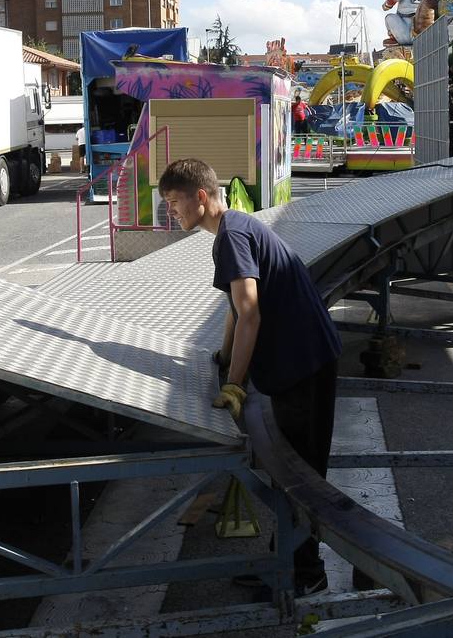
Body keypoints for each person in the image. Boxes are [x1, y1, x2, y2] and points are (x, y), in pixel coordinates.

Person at [158, 158, 341, 597]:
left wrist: (235, 384)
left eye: (174, 201)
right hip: (300, 360)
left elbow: (251, 315)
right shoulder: (233, 230)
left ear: (200, 197)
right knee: (293, 466)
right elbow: (234, 308)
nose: (172, 211)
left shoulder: (232, 237)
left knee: (301, 472)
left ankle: (304, 573)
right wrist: (223, 358)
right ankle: (290, 561)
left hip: (305, 362)